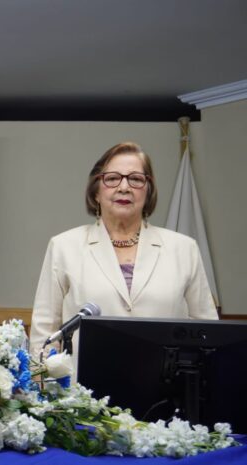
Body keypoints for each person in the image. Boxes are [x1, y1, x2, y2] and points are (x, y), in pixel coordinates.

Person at [29, 142, 217, 360]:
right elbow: (44, 333)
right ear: (96, 191)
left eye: (136, 179)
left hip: (164, 378)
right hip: (85, 380)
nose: (124, 187)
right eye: (112, 178)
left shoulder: (184, 249)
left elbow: (208, 332)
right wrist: (46, 378)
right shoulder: (64, 246)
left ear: (148, 191)